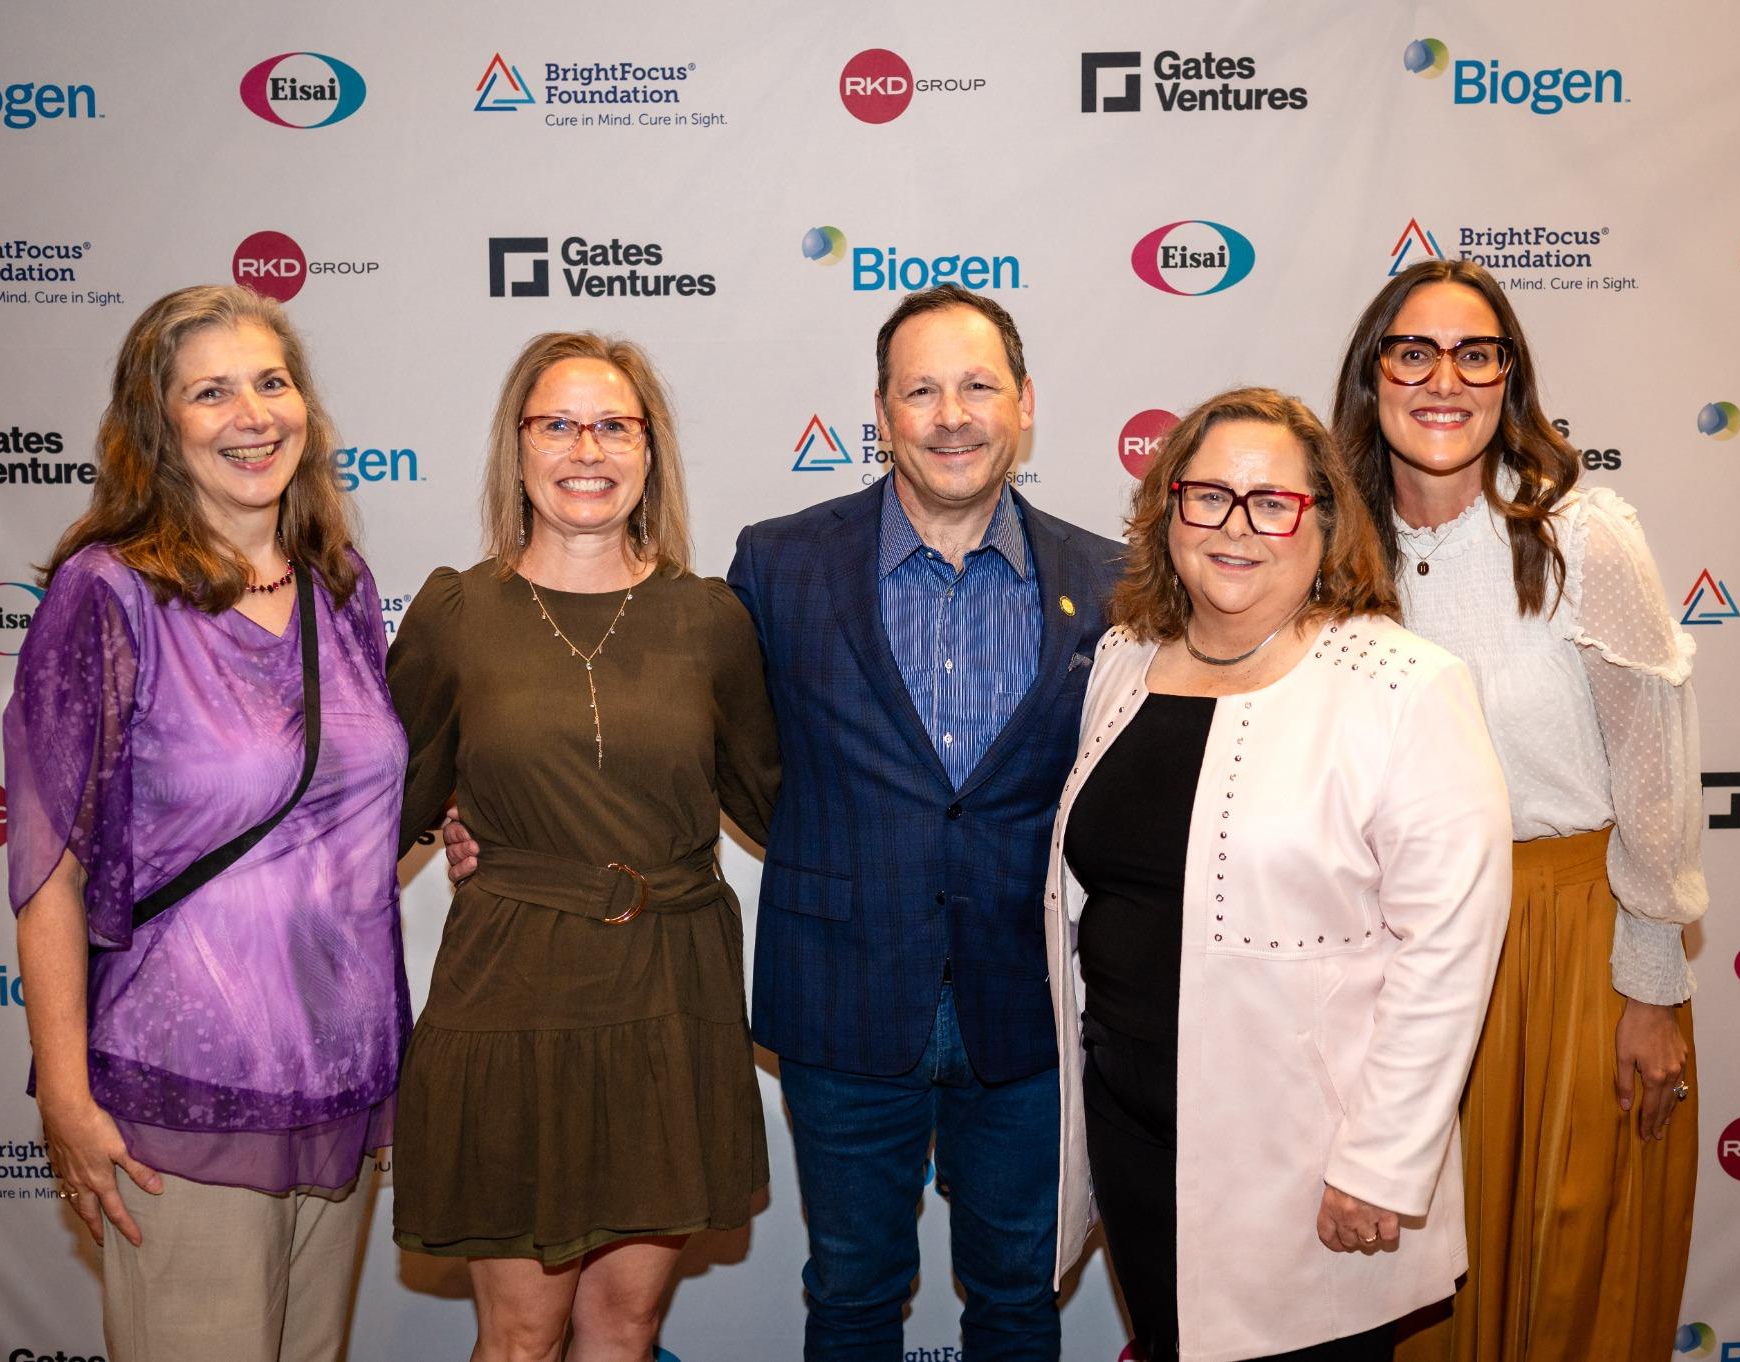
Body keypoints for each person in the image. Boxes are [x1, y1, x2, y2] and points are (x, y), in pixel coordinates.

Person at [451, 285, 1124, 1358]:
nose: (951, 413)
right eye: (920, 389)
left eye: (977, 385)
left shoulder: (1109, 579)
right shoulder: (778, 564)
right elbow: (658, 721)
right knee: (851, 1295)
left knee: (1016, 1297)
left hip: (1030, 1002)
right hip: (844, 998)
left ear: (1024, 403)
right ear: (880, 412)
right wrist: (482, 802)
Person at [1045, 387, 1512, 1361]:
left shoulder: (1399, 686)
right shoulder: (1126, 660)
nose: (1234, 527)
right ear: (1167, 510)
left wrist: (1382, 1166)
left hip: (1305, 1163)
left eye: (1271, 502)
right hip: (1132, 1130)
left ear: (1323, 521)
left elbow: (1449, 950)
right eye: (1206, 495)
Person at [4, 284, 408, 1362]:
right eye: (211, 392)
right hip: (182, 1092)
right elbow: (50, 870)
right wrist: (68, 1100)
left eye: (272, 384)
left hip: (342, 1077)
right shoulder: (107, 597)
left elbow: (342, 807)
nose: (253, 415)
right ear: (158, 425)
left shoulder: (342, 585)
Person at [1331, 259, 1706, 1362]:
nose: (1442, 378)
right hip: (1391, 951)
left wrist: (1650, 986)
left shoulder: (1582, 535)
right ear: (1372, 374)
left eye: (1475, 352)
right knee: (1405, 1285)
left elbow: (1653, 763)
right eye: (1412, 350)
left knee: (1572, 1270)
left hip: (1571, 945)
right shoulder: (1332, 550)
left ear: (1509, 378)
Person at [385, 331, 779, 1362]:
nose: (585, 449)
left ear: (649, 451)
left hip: (670, 995)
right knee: (520, 1335)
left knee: (626, 1327)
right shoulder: (454, 615)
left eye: (612, 425)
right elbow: (377, 808)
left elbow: (785, 806)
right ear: (517, 449)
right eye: (555, 424)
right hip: (511, 990)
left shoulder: (712, 620)